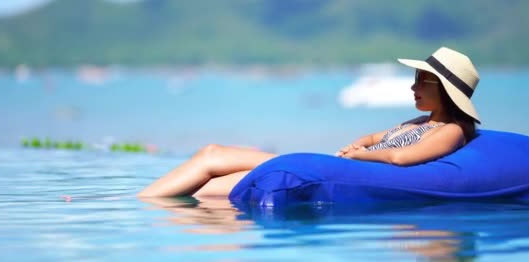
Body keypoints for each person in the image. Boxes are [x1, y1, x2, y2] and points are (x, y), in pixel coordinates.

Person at [138, 47, 480, 198]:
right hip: (333, 163)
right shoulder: (420, 120)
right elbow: (375, 136)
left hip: (335, 173)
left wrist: (360, 156)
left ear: (446, 92)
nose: (413, 86)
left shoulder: (451, 131)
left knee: (213, 167)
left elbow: (401, 158)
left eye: (423, 81)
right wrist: (358, 145)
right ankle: (141, 202)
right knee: (211, 157)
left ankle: (138, 206)